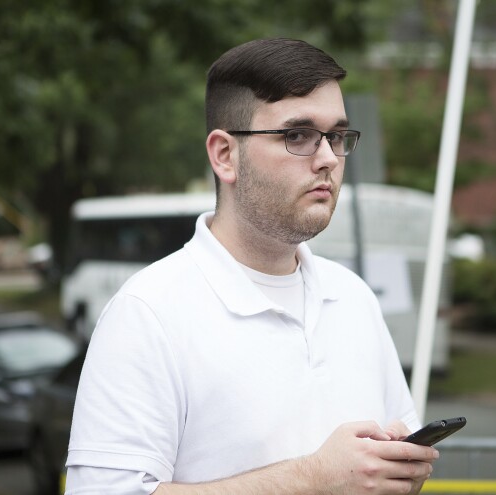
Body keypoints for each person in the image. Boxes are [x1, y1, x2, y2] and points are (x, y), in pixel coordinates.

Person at [65, 38, 438, 495]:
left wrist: (397, 471)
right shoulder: (148, 314)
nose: (326, 159)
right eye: (297, 135)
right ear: (225, 155)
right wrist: (315, 478)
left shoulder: (354, 297)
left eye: (336, 137)